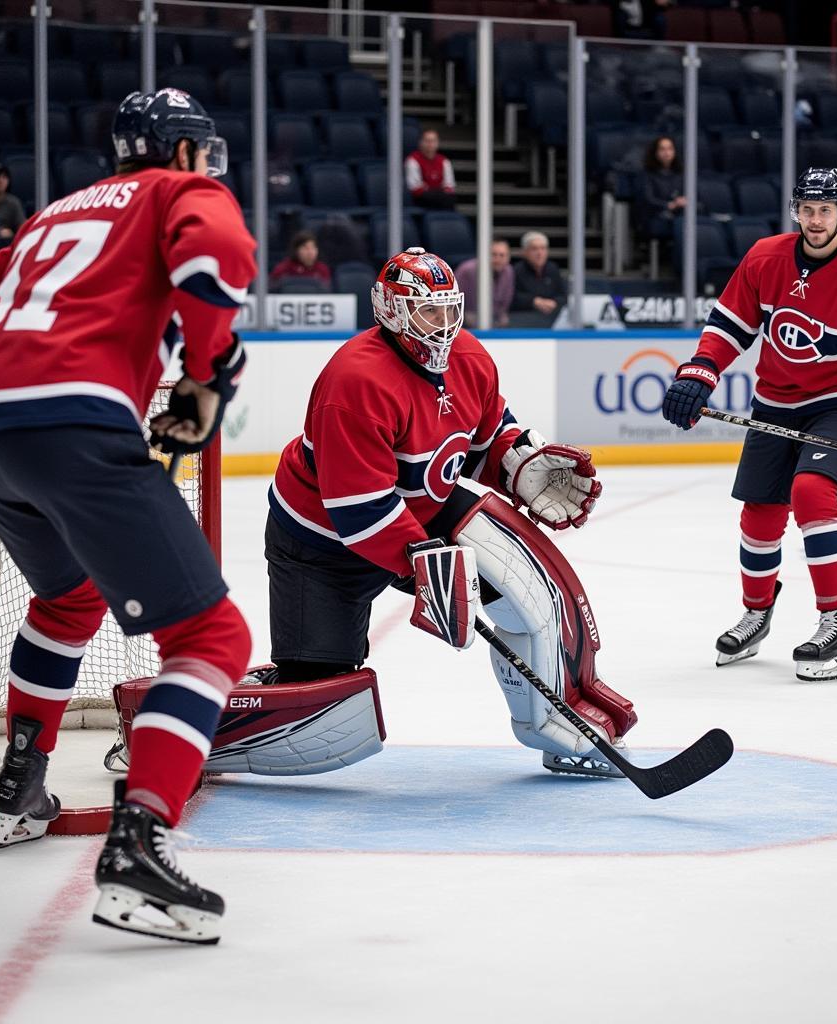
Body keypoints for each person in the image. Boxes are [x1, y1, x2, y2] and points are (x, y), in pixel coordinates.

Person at [0, 88, 256, 944]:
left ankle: (20, 786)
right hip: (72, 424)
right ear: (182, 151)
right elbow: (219, 254)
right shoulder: (178, 191)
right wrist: (205, 378)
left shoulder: (55, 213)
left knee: (68, 599)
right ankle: (139, 847)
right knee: (212, 640)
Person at [259, 246, 635, 783]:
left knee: (532, 587)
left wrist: (519, 465)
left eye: (447, 308)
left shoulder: (471, 359)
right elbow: (357, 508)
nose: (441, 324)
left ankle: (555, 724)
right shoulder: (355, 382)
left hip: (421, 508)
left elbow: (484, 440)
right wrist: (424, 565)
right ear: (390, 310)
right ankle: (207, 721)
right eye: (425, 310)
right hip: (323, 543)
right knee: (322, 713)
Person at [661, 167, 837, 682]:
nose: (816, 219)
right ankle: (757, 613)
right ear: (795, 211)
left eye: (826, 210)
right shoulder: (765, 257)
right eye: (808, 209)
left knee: (811, 492)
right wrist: (700, 373)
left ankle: (835, 622)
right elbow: (731, 324)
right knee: (759, 513)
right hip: (774, 401)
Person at [453, 238, 515, 327]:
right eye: (494, 255)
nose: (498, 259)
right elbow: (453, 300)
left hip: (495, 321)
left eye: (502, 255)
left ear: (508, 258)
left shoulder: (509, 271)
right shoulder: (466, 270)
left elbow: (506, 301)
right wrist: (464, 316)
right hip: (464, 322)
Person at [510, 231, 567, 325]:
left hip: (551, 320)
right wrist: (534, 301)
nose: (539, 253)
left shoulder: (553, 269)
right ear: (524, 252)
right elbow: (512, 297)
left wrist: (554, 303)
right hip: (523, 321)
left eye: (543, 248)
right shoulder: (516, 271)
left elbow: (563, 295)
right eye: (534, 249)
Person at [637, 136, 686, 244]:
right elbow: (648, 199)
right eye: (662, 149)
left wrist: (683, 201)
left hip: (678, 213)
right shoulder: (646, 174)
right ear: (655, 152)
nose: (666, 152)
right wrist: (668, 205)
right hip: (656, 214)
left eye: (670, 148)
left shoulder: (680, 174)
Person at [404, 129, 456, 210]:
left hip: (440, 197)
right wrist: (437, 190)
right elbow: (415, 188)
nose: (430, 144)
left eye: (433, 141)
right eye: (427, 141)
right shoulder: (413, 160)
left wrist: (429, 188)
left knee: (450, 198)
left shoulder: (444, 161)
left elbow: (449, 186)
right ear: (420, 143)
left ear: (437, 143)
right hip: (421, 199)